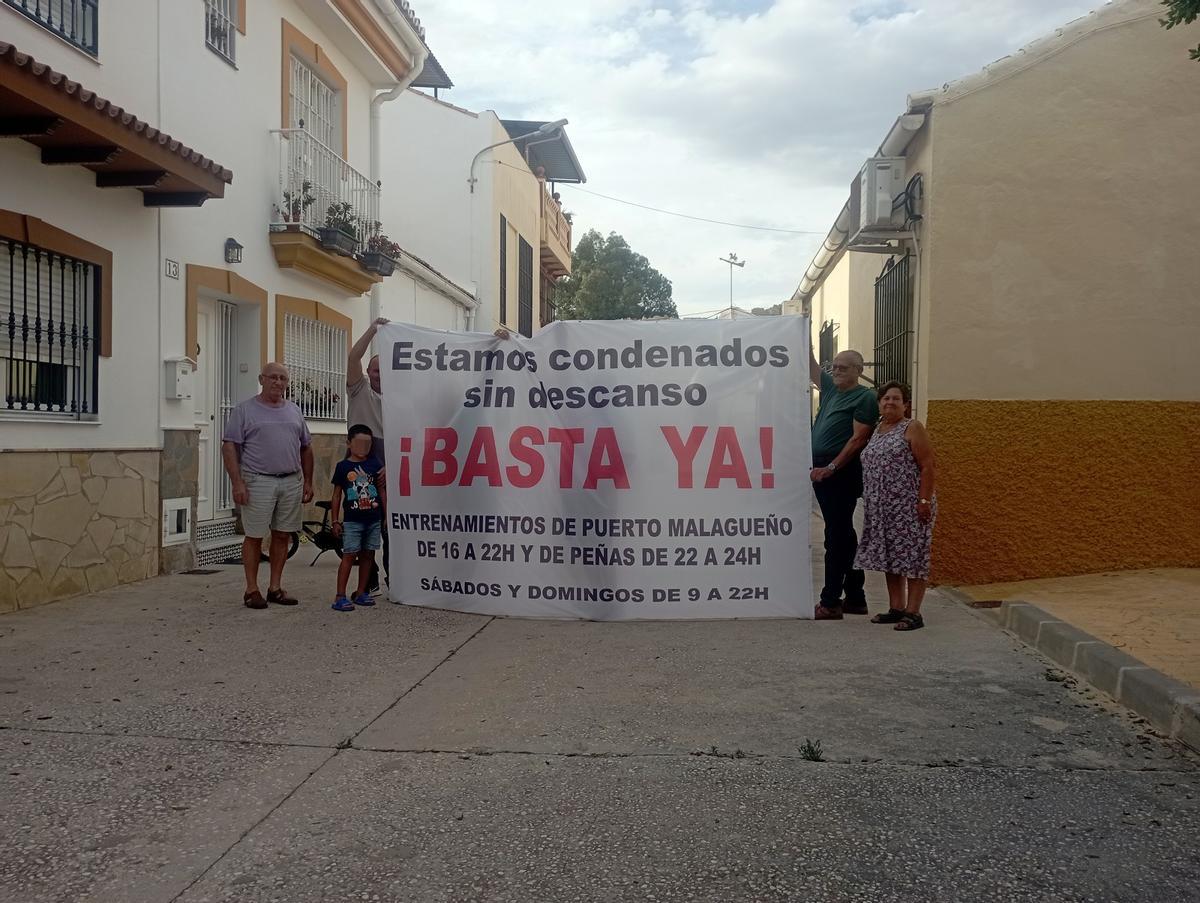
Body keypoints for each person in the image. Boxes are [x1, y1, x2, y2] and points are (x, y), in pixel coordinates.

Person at [222, 362, 314, 609]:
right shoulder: (244, 410)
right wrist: (237, 482)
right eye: (273, 377)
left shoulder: (294, 411)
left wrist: (308, 481)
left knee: (282, 535)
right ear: (261, 379)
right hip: (257, 480)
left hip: (290, 480)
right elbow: (229, 445)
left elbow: (306, 447)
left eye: (283, 378)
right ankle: (251, 590)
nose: (278, 382)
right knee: (254, 536)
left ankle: (275, 587)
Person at [855, 381, 937, 631]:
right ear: (879, 403)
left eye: (896, 399)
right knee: (891, 558)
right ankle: (897, 607)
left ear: (905, 404)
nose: (890, 402)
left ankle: (914, 613)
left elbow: (927, 466)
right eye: (886, 398)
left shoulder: (912, 428)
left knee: (913, 558)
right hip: (882, 509)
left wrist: (923, 501)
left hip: (909, 508)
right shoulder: (878, 429)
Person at [808, 346, 880, 620]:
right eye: (835, 366)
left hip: (841, 471)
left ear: (859, 372)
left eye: (844, 367)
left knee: (836, 537)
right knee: (844, 534)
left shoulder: (864, 397)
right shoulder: (830, 390)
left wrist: (832, 467)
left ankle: (830, 601)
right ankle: (856, 597)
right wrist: (804, 332)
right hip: (823, 469)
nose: (836, 370)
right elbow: (812, 366)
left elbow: (858, 440)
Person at [347, 318, 390, 593]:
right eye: (375, 370)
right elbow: (353, 355)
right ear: (368, 372)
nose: (379, 375)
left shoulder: (401, 397)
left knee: (390, 528)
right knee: (361, 527)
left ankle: (395, 579)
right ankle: (369, 578)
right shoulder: (358, 389)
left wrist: (394, 466)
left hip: (388, 467)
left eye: (384, 370)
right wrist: (374, 328)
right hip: (360, 467)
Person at [329, 424, 386, 612]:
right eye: (359, 443)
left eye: (367, 444)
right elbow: (337, 495)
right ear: (349, 444)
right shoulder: (343, 466)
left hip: (373, 518)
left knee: (368, 555)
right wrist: (335, 520)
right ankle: (340, 595)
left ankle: (362, 591)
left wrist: (385, 514)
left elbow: (381, 490)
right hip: (352, 521)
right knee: (349, 555)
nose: (363, 449)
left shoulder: (375, 464)